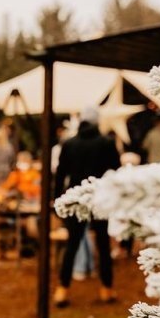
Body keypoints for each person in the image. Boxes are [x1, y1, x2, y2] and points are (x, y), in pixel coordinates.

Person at [53, 108, 121, 307]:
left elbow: (60, 174)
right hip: (100, 197)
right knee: (103, 244)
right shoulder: (107, 143)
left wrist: (58, 200)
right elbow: (116, 172)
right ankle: (107, 289)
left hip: (77, 198)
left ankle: (62, 290)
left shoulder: (69, 144)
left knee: (72, 244)